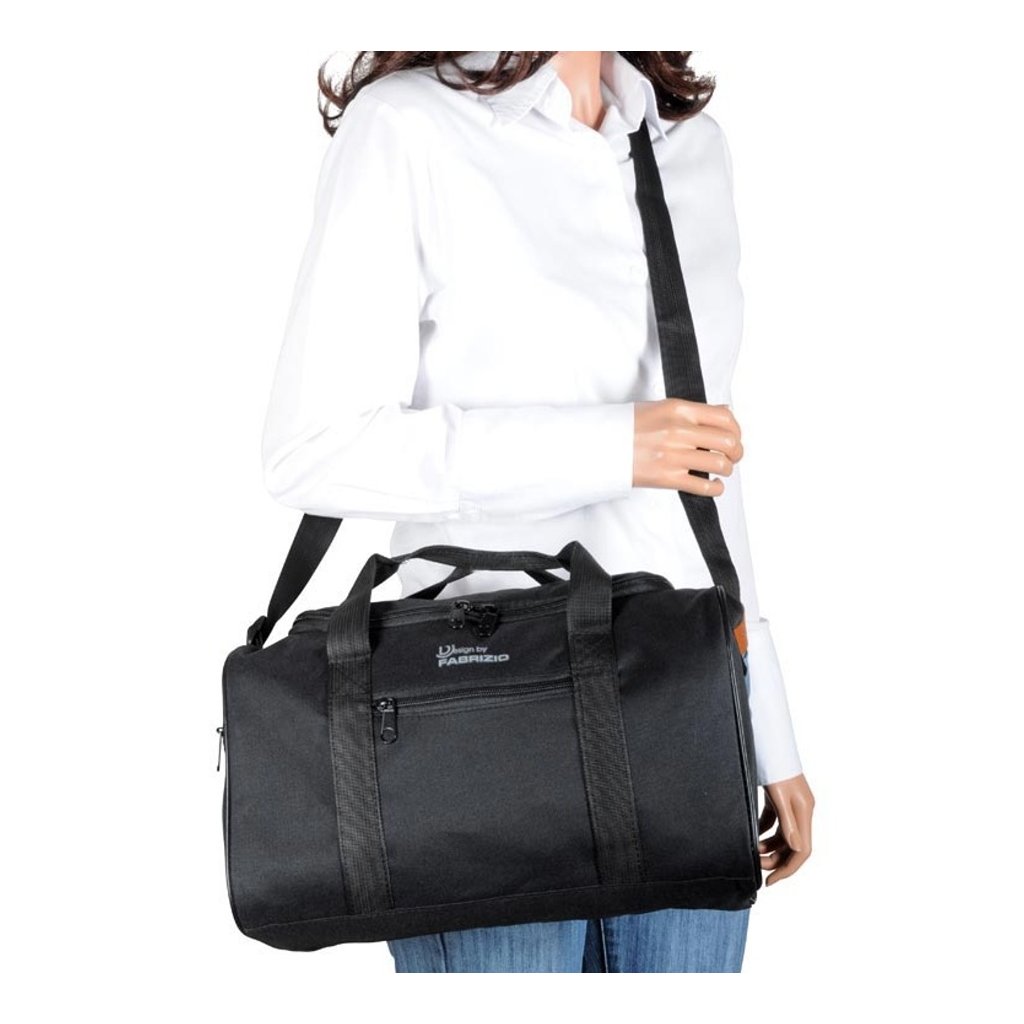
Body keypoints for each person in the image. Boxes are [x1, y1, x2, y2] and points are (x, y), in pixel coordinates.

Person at [260, 50, 815, 973]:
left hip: (682, 716)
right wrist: (610, 445)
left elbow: (706, 462)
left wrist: (765, 723)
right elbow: (311, 448)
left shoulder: (690, 146)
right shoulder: (409, 126)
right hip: (484, 724)